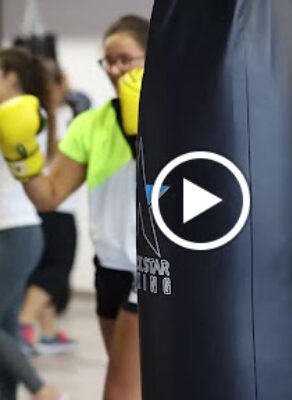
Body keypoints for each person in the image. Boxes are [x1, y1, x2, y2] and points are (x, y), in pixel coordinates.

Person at [0, 15, 149, 400]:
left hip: (151, 266)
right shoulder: (91, 124)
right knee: (135, 382)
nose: (115, 70)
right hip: (110, 265)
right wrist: (23, 156)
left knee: (120, 390)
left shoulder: (181, 117)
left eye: (125, 60)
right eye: (108, 61)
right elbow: (48, 195)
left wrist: (144, 126)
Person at [0, 47, 65, 400]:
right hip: (13, 230)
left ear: (11, 76)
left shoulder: (25, 113)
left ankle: (42, 389)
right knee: (6, 326)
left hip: (15, 231)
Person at [20, 62, 86, 356]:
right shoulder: (61, 116)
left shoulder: (31, 114)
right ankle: (24, 324)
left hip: (37, 205)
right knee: (56, 272)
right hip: (58, 205)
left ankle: (49, 332)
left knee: (42, 270)